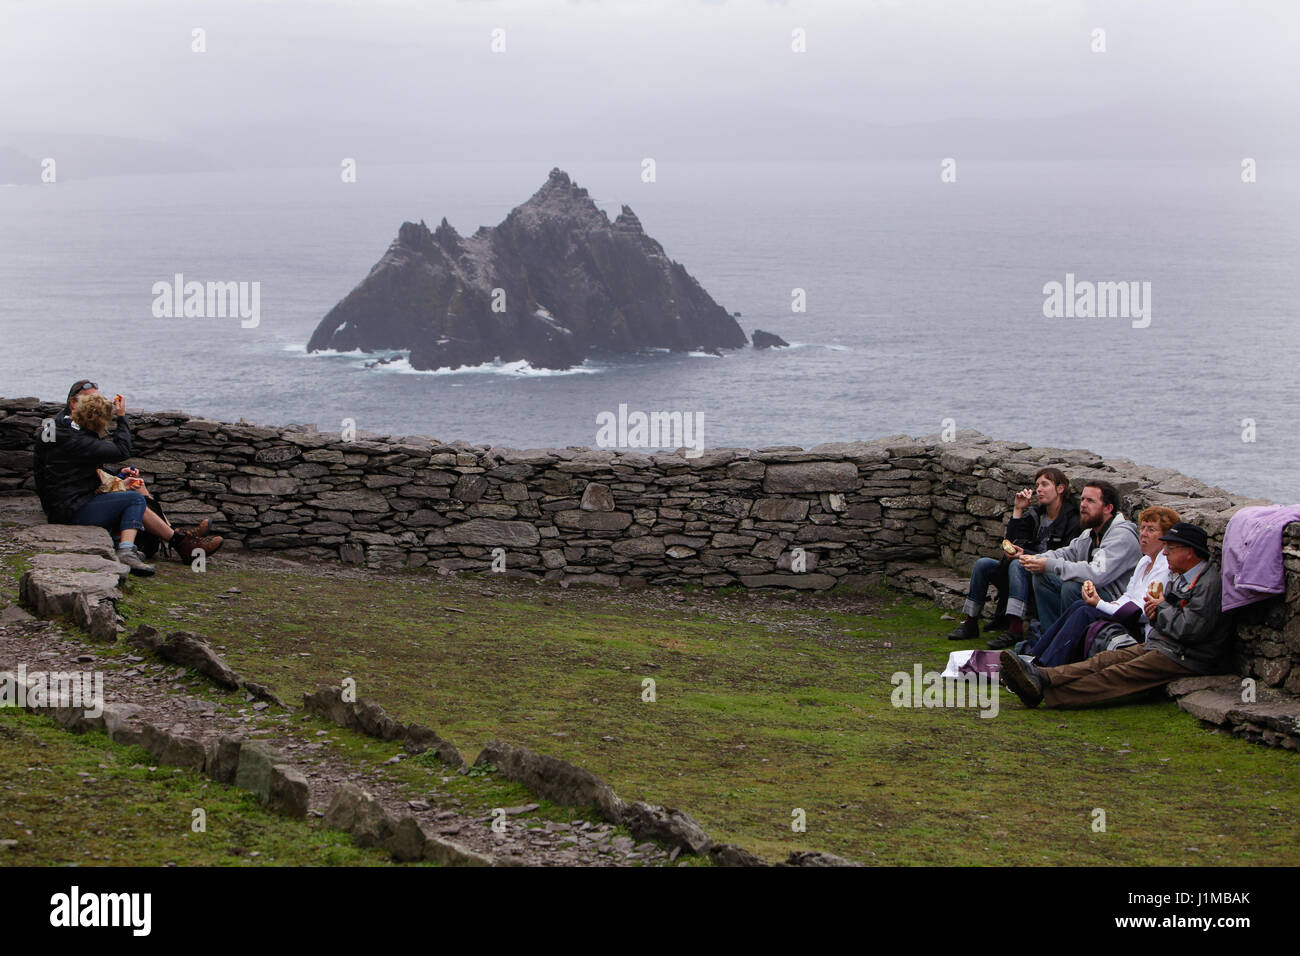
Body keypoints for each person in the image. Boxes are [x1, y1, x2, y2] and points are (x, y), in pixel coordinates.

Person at [1000, 522, 1234, 708]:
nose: (1167, 553)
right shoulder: (1180, 575)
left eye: (1171, 549)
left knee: (1117, 674)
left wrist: (1159, 609)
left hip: (1188, 656)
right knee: (1104, 660)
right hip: (1165, 645)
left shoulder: (1207, 584)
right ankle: (1041, 675)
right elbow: (1167, 616)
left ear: (1190, 552)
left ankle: (1048, 693)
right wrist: (1157, 612)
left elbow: (1189, 630)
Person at [32, 379, 221, 574]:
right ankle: (134, 550)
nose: (96, 406)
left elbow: (78, 470)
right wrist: (121, 417)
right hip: (68, 508)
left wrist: (118, 476)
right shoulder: (69, 434)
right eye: (91, 402)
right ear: (73, 403)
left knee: (137, 486)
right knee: (133, 500)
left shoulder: (73, 427)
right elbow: (121, 450)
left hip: (75, 496)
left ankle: (180, 537)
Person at [1018, 506, 1177, 666]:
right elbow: (1129, 596)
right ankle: (1036, 655)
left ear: (1166, 536)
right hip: (1124, 613)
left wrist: (1100, 604)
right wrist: (1107, 604)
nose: (1143, 534)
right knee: (1080, 605)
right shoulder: (1145, 561)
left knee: (1086, 610)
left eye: (1151, 529)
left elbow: (1141, 612)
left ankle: (1046, 665)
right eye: (1142, 528)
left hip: (1140, 628)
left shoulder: (1165, 567)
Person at [947, 467, 1080, 647]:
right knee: (983, 564)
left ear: (1060, 488)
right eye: (1037, 485)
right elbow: (1010, 542)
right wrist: (1018, 510)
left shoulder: (1072, 520)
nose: (1039, 489)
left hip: (1045, 574)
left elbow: (1066, 556)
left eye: (1045, 484)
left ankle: (1015, 629)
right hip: (1021, 569)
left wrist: (1026, 555)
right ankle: (970, 622)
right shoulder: (1035, 514)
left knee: (1017, 565)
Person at [1016, 480, 1140, 634]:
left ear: (1108, 508)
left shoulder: (1122, 536)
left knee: (1073, 588)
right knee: (1042, 576)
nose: (1083, 505)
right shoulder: (1090, 534)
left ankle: (1070, 644)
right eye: (1082, 499)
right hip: (1097, 592)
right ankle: (1050, 637)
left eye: (1090, 501)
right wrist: (1033, 558)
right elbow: (1066, 553)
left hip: (1116, 602)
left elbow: (1097, 574)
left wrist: (1049, 564)